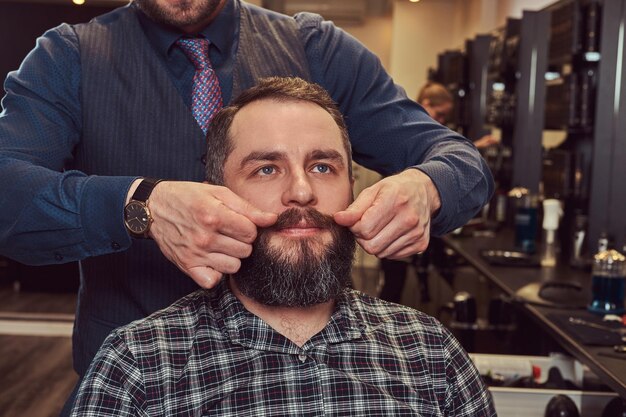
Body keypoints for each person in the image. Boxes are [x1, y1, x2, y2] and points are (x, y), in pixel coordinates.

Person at [0, 0, 493, 395]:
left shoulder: (315, 48)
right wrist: (139, 205)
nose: (300, 187)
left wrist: (426, 185)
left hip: (309, 374)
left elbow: (459, 162)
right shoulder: (70, 57)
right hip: (145, 386)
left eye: (319, 168)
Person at [70, 77, 496, 416]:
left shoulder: (430, 352)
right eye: (267, 168)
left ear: (353, 188)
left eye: (323, 166)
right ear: (215, 196)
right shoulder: (136, 366)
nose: (301, 191)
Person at [379, 81, 496, 304]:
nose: (441, 122)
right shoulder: (404, 136)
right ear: (426, 104)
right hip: (394, 225)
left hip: (413, 226)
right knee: (393, 286)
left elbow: (441, 158)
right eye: (440, 115)